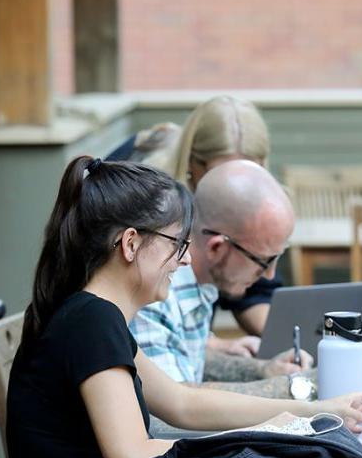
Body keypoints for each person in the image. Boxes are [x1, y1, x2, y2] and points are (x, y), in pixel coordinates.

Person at [5, 156, 362, 458]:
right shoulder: (90, 321)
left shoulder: (93, 315)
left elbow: (182, 402)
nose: (186, 260)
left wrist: (310, 413)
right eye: (177, 244)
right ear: (131, 244)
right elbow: (133, 456)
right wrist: (263, 436)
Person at [130, 160, 304, 395]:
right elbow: (172, 408)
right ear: (216, 248)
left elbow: (188, 361)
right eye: (263, 261)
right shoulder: (155, 294)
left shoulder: (201, 285)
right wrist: (297, 387)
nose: (269, 275)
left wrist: (265, 370)